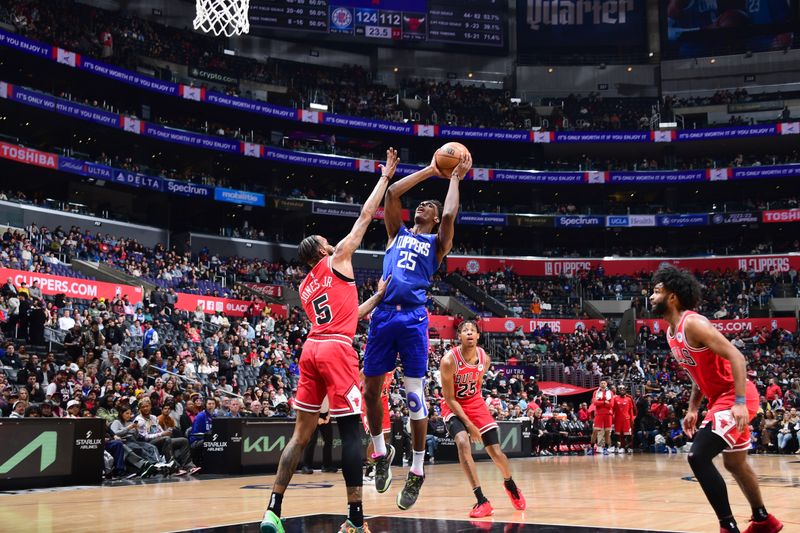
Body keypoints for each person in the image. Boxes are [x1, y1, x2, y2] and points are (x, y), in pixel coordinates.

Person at [260, 148, 399, 533]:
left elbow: (349, 315)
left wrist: (376, 295)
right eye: (326, 239)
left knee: (300, 436)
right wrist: (385, 177)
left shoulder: (306, 285)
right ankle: (355, 519)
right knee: (351, 432)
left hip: (312, 348)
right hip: (337, 349)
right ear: (323, 249)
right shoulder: (338, 256)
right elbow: (365, 215)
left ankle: (273, 508)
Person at [363, 149, 472, 511]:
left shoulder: (437, 243)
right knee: (371, 391)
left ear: (436, 216)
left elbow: (452, 213)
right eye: (421, 203)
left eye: (429, 204)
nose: (422, 205)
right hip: (382, 316)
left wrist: (454, 178)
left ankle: (418, 470)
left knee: (414, 397)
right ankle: (380, 452)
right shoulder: (396, 233)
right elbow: (392, 194)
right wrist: (430, 170)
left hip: (412, 318)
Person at [650, 265, 783, 533]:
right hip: (719, 399)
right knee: (734, 463)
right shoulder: (670, 333)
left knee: (698, 457)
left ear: (672, 296)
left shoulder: (694, 324)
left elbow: (737, 356)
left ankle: (727, 527)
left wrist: (740, 402)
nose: (651, 297)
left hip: (734, 396)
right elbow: (698, 375)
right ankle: (763, 520)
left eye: (656, 291)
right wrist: (692, 409)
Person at [438, 321, 526, 518]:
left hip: (475, 403)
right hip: (453, 404)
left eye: (472, 330)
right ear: (459, 336)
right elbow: (450, 398)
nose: (469, 333)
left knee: (496, 453)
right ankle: (481, 500)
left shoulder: (484, 358)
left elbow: (477, 385)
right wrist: (469, 425)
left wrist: (475, 415)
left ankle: (510, 483)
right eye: (465, 331)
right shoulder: (448, 361)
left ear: (478, 336)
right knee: (462, 442)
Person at [362, 371, 393, 484]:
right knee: (374, 437)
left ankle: (379, 466)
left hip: (383, 402)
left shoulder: (392, 368)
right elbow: (356, 379)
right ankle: (369, 471)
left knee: (386, 435)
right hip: (369, 402)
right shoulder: (371, 367)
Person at [589, 380, 614, 455]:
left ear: (606, 384)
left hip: (608, 414)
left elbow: (611, 404)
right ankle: (592, 448)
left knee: (607, 432)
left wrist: (600, 403)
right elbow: (595, 402)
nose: (603, 384)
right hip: (599, 414)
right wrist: (604, 402)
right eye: (602, 383)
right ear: (600, 384)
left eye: (604, 383)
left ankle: (606, 448)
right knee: (595, 431)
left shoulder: (610, 392)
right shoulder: (595, 392)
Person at [612, 385, 637, 454]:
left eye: (623, 389)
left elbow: (631, 411)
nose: (622, 391)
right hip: (617, 420)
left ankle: (628, 448)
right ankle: (616, 448)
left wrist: (632, 419)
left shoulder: (629, 399)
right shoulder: (615, 399)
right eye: (620, 390)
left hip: (626, 420)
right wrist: (612, 421)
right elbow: (612, 410)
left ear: (625, 391)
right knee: (617, 435)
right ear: (619, 391)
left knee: (628, 434)